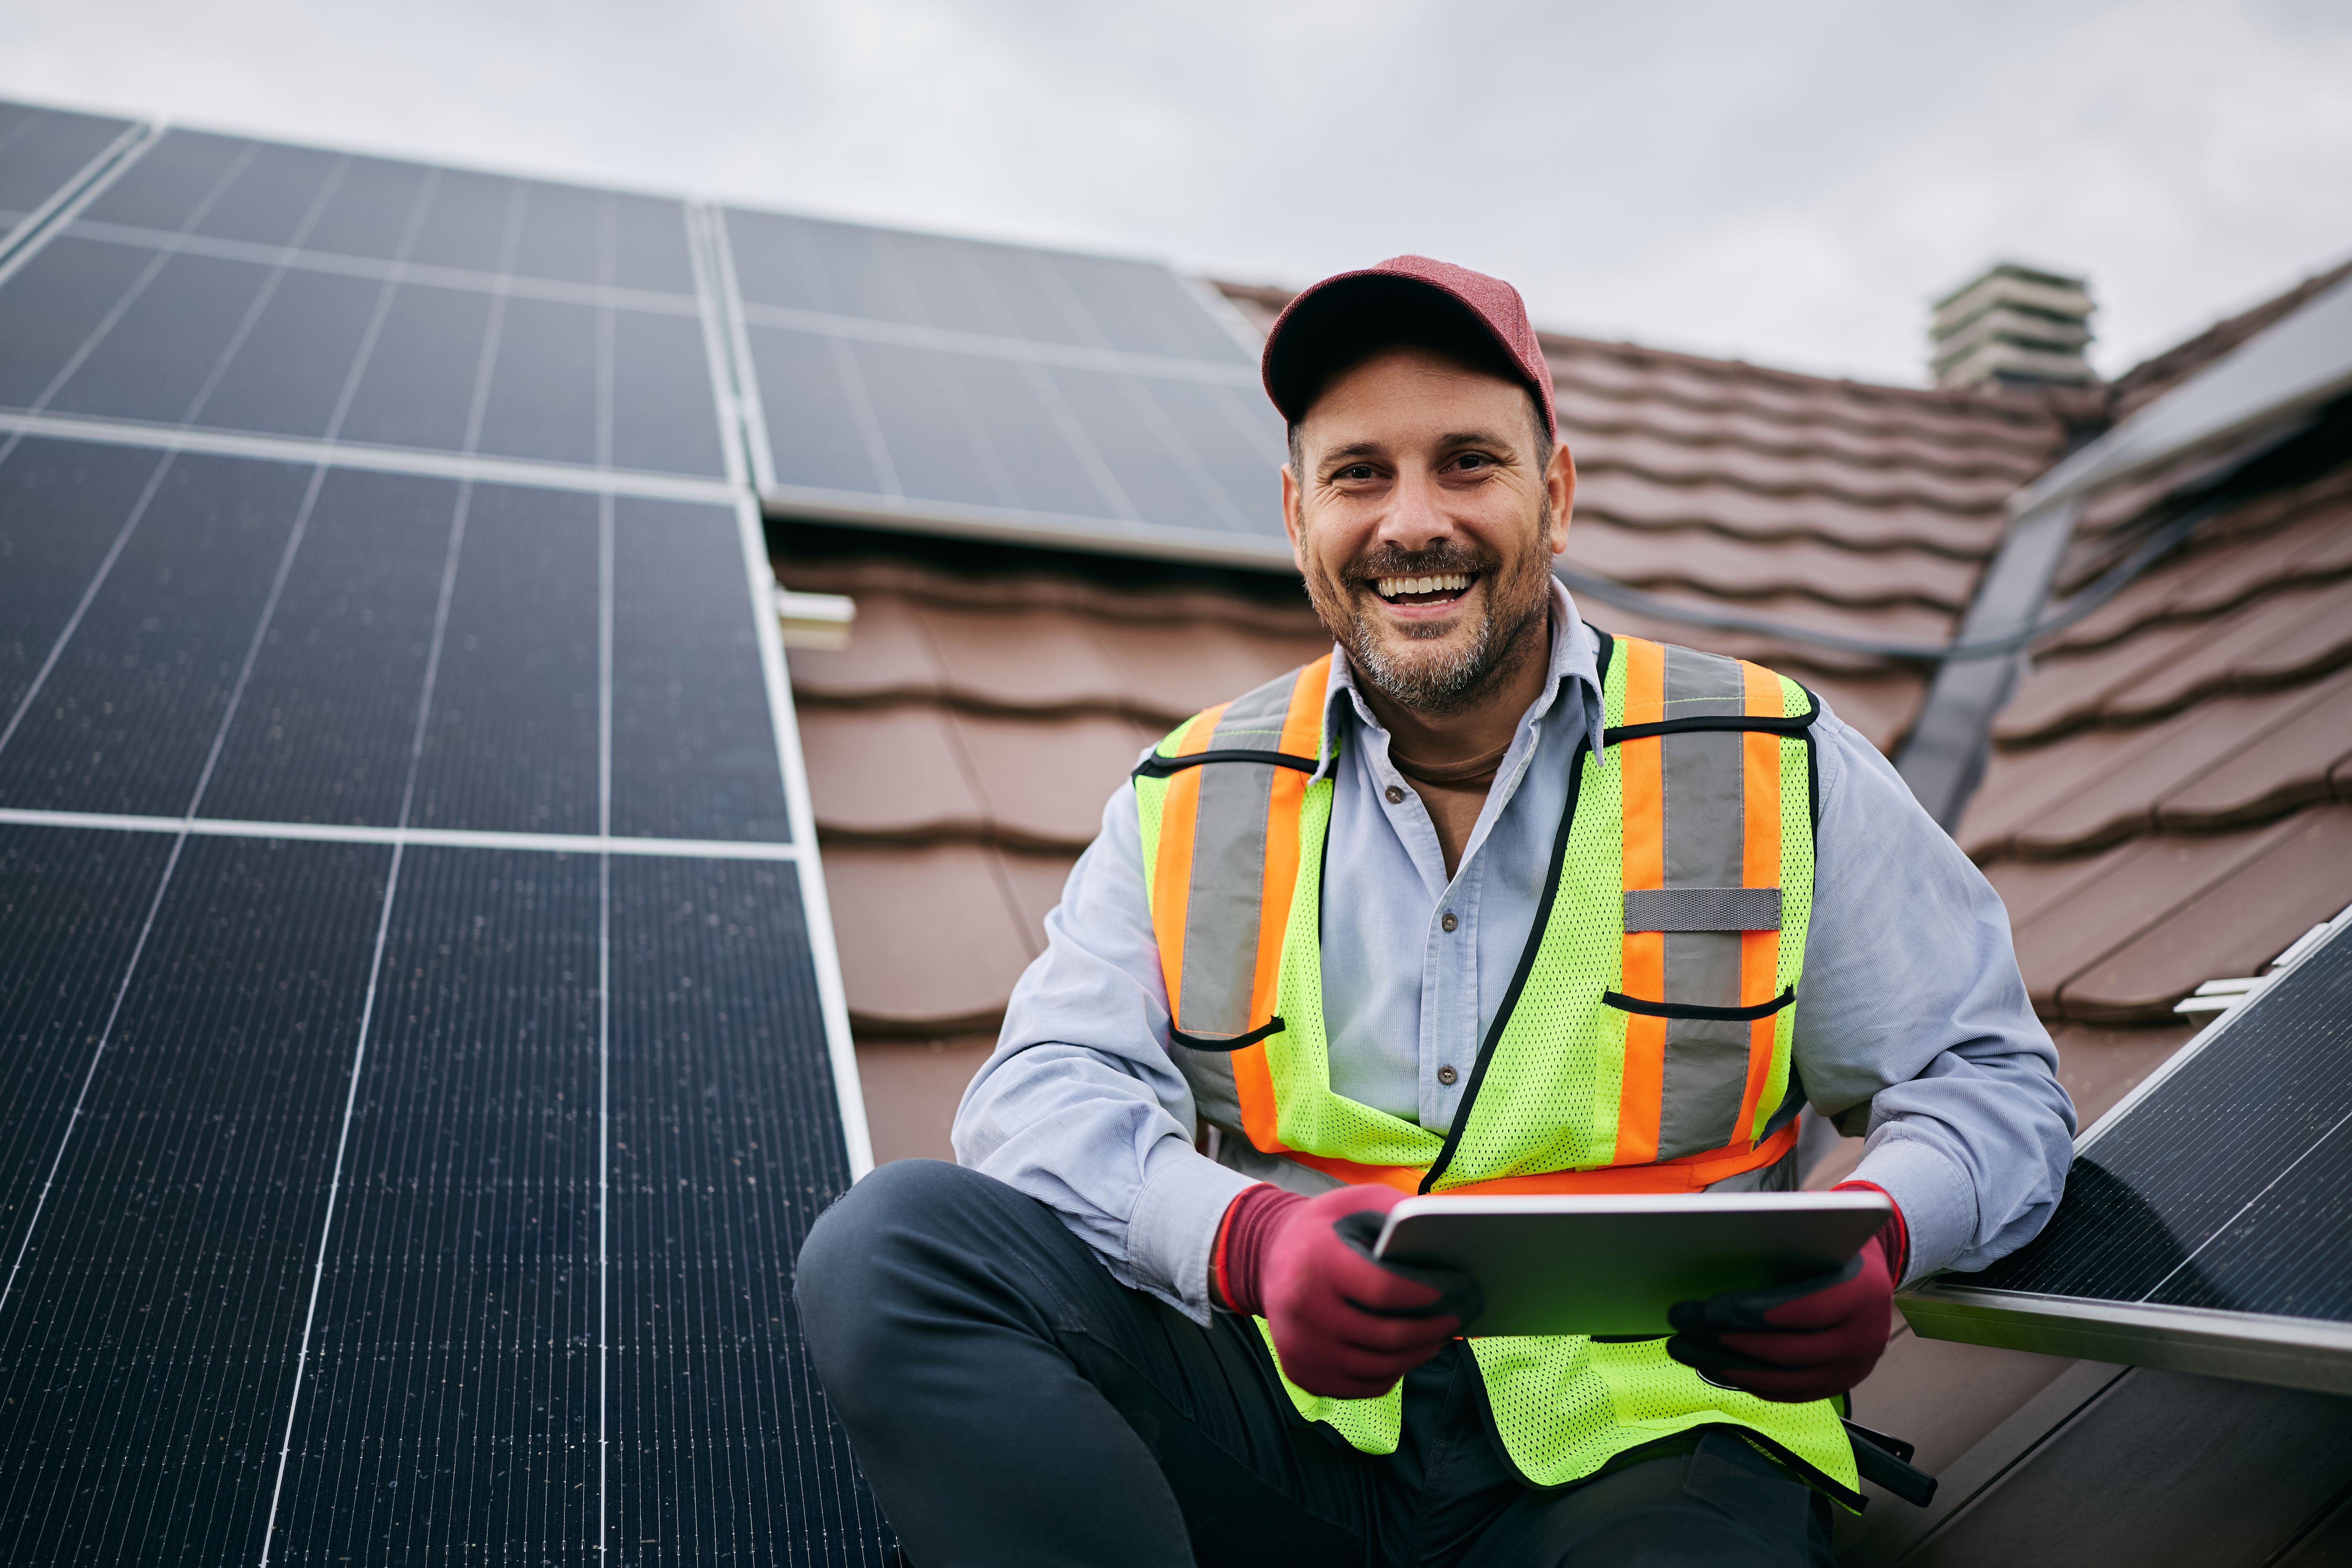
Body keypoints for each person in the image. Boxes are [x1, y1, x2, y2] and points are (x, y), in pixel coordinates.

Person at [796, 256, 2075, 1566]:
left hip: (1651, 1453)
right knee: (894, 1248)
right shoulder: (1191, 795)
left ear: (1556, 495)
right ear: (1298, 517)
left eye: (1469, 462)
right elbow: (1043, 1095)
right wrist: (1245, 1241)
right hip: (1295, 1441)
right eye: (1360, 475)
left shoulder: (1773, 762)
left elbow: (1988, 1082)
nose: (1415, 522)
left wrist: (1886, 1234)